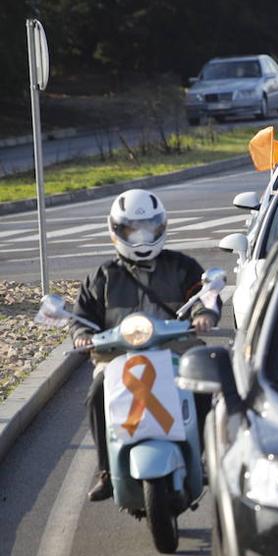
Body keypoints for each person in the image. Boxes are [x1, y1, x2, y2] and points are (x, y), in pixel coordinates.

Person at [72, 190, 219, 502]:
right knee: (96, 393)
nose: (141, 236)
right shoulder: (103, 276)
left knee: (203, 385)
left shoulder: (182, 266)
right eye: (132, 229)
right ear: (117, 230)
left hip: (175, 348)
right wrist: (82, 334)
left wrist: (204, 313)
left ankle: (203, 456)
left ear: (161, 226)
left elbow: (204, 292)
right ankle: (106, 472)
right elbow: (82, 314)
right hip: (117, 354)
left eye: (149, 227)